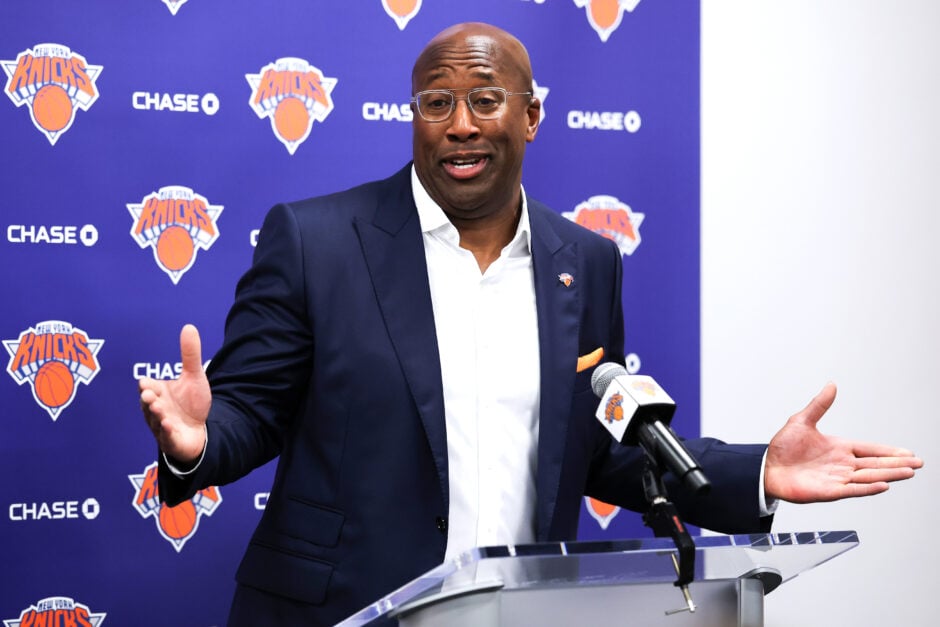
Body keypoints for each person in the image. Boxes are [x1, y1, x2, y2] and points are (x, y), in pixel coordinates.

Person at [139, 22, 923, 626]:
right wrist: (200, 440)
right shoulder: (315, 240)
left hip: (519, 612)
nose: (459, 124)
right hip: (340, 610)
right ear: (413, 117)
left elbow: (606, 452)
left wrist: (758, 472)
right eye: (436, 103)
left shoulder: (585, 259)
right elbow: (250, 412)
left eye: (484, 99)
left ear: (532, 115)